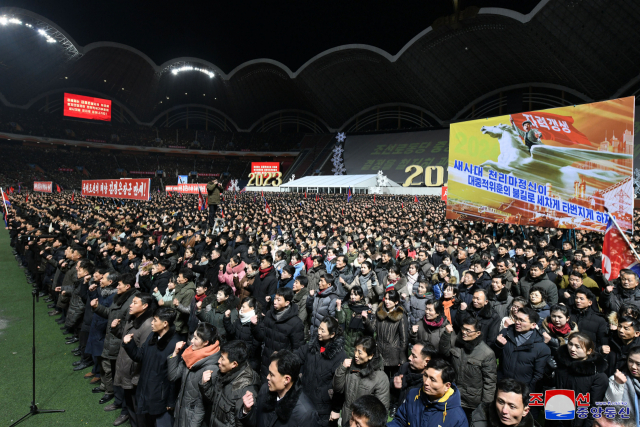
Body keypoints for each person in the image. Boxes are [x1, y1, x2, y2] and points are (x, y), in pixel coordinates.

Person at [122, 307, 182, 427]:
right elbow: (140, 356)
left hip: (160, 396)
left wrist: (170, 401)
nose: (151, 323)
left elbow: (174, 378)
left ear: (165, 323)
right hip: (146, 389)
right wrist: (130, 344)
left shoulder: (176, 344)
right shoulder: (152, 336)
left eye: (155, 320)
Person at [90, 272, 139, 407]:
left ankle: (119, 401)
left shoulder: (131, 302)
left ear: (128, 286)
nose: (117, 286)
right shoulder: (120, 297)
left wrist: (115, 328)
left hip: (119, 343)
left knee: (118, 374)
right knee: (110, 370)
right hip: (112, 340)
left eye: (120, 285)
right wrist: (97, 308)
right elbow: (110, 314)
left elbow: (127, 327)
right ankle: (112, 394)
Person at [238, 350, 319, 427]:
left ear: (287, 379)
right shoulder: (265, 390)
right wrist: (247, 411)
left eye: (272, 374)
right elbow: (255, 422)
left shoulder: (305, 413)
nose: (267, 377)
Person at [439, 315, 498, 421]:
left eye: (468, 330)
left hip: (472, 403)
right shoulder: (458, 343)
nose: (464, 332)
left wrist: (485, 407)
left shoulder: (487, 354)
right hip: (453, 396)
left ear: (478, 333)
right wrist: (446, 334)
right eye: (463, 329)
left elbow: (490, 383)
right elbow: (444, 352)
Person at [112, 293, 155, 427]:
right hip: (126, 368)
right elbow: (127, 340)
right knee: (130, 404)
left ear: (145, 306)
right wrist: (115, 329)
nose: (131, 305)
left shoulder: (147, 325)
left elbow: (142, 354)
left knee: (138, 408)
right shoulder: (133, 319)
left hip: (134, 374)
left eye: (135, 303)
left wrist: (136, 378)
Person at [548, 332, 608, 427]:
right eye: (570, 344)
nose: (572, 349)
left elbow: (594, 407)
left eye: (578, 347)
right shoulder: (562, 365)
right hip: (557, 417)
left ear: (589, 351)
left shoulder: (598, 376)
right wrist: (548, 372)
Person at [166, 322, 221, 427]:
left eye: (196, 338)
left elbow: (202, 406)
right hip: (181, 411)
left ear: (205, 342)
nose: (191, 341)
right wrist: (175, 353)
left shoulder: (211, 368)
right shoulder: (190, 354)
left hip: (193, 420)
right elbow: (173, 376)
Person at [295, 316, 346, 426]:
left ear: (332, 335)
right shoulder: (311, 345)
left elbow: (340, 385)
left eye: (323, 330)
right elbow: (297, 356)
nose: (319, 332)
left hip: (324, 406)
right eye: (319, 328)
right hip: (305, 398)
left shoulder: (339, 355)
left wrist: (336, 409)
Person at [388, 357, 468, 427]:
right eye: (425, 375)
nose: (426, 382)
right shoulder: (413, 395)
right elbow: (400, 422)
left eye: (432, 380)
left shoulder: (458, 417)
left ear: (447, 386)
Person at [199, 340, 261, 427]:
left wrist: (246, 412)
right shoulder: (226, 373)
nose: (218, 361)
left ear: (234, 364)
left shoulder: (245, 390)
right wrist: (205, 385)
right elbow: (215, 400)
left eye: (222, 358)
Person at [333, 336, 390, 427]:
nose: (356, 355)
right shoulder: (350, 367)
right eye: (355, 350)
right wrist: (342, 368)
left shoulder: (380, 378)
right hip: (347, 419)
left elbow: (381, 412)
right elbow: (337, 388)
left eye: (360, 352)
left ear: (371, 356)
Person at [252, 287, 305, 382]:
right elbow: (261, 336)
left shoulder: (296, 323)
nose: (274, 302)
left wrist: (286, 363)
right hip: (266, 362)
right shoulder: (269, 314)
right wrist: (255, 326)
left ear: (287, 303)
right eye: (275, 298)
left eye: (278, 299)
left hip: (281, 367)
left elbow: (297, 350)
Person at [495, 306, 550, 392]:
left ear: (533, 325)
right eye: (516, 318)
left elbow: (538, 376)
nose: (517, 322)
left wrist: (527, 393)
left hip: (522, 391)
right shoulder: (505, 333)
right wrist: (498, 345)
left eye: (522, 320)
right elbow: (493, 357)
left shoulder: (541, 348)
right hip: (502, 387)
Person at [364, 290, 408, 376]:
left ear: (396, 302)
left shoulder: (401, 316)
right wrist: (366, 321)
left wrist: (402, 358)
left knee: (393, 381)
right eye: (386, 298)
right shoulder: (379, 312)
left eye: (390, 299)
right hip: (380, 352)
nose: (387, 301)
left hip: (394, 355)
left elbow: (404, 339)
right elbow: (372, 329)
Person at [470, 378, 540, 427]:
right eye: (501, 402)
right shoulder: (479, 420)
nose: (504, 411)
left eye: (512, 406)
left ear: (525, 411)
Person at [390, 342, 434, 416]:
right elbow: (392, 385)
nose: (409, 358)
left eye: (414, 356)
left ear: (426, 361)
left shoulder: (431, 381)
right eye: (411, 354)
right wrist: (394, 383)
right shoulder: (404, 367)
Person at [223, 296, 263, 372]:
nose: (241, 308)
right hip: (237, 356)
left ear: (251, 308)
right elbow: (231, 331)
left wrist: (246, 354)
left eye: (244, 307)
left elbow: (257, 341)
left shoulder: (256, 322)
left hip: (248, 359)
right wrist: (227, 318)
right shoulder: (240, 319)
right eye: (241, 306)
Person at [605, 345, 640, 427]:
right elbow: (609, 406)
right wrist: (617, 385)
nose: (633, 367)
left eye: (638, 364)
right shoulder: (618, 378)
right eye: (630, 361)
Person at [336, 286, 373, 356]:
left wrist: (366, 319)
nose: (353, 297)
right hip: (346, 342)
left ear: (361, 297)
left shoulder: (366, 310)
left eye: (355, 295)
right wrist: (339, 309)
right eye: (351, 294)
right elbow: (341, 322)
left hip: (359, 344)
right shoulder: (347, 307)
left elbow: (370, 330)